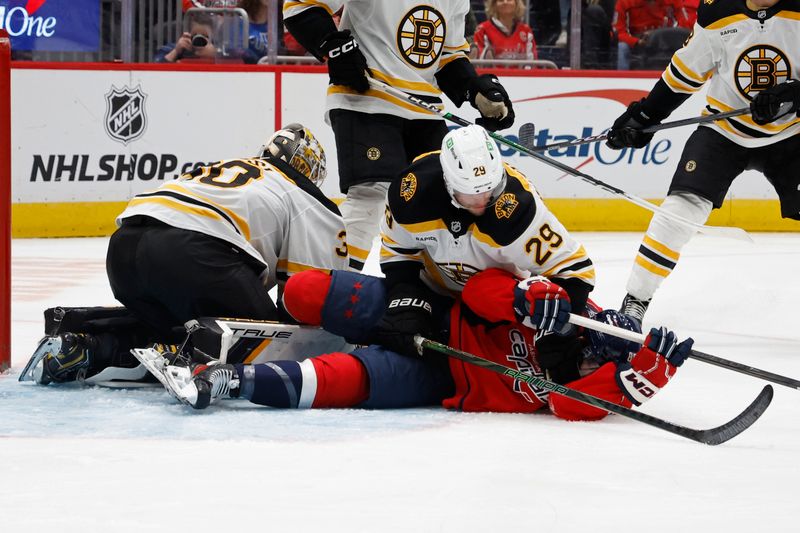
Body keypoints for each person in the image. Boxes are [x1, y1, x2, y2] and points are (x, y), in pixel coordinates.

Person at [23, 124, 349, 385]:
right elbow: (309, 296)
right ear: (310, 170)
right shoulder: (304, 194)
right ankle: (182, 356)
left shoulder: (234, 169)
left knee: (177, 319)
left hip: (123, 250)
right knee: (271, 341)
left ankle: (88, 345)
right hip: (192, 254)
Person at [148, 266, 693, 419]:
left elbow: (571, 405)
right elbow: (480, 289)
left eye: (607, 357)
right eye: (603, 344)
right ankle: (223, 328)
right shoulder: (575, 311)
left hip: (443, 376)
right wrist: (527, 296)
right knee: (304, 290)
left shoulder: (590, 385)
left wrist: (634, 380)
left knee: (349, 379)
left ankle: (230, 380)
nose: (597, 350)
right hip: (429, 310)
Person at [605, 0, 800, 324]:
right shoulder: (718, 12)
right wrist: (644, 116)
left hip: (792, 134)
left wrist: (797, 94)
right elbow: (683, 75)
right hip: (724, 132)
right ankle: (636, 301)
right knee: (678, 211)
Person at [282, 0, 515, 270]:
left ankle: (431, 293)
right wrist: (333, 46)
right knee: (372, 196)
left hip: (424, 110)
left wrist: (475, 89)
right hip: (367, 97)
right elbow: (300, 6)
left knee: (447, 200)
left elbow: (449, 55)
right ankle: (328, 287)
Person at [377, 124, 596, 386]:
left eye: (489, 191)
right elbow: (398, 253)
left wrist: (554, 333)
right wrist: (408, 300)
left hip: (496, 307)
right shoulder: (411, 193)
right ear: (448, 183)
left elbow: (575, 273)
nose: (482, 201)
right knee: (379, 320)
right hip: (430, 291)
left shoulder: (517, 209)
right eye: (470, 195)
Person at [613, 0, 689, 70]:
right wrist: (636, 41)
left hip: (665, 41)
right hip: (637, 40)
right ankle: (623, 78)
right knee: (622, 47)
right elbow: (618, 32)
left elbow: (684, 26)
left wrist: (665, 35)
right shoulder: (624, 2)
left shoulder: (674, 1)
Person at [473, 0, 537, 62]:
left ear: (517, 3)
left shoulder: (526, 30)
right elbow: (480, 64)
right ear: (494, 5)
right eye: (501, 0)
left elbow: (532, 63)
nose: (505, 2)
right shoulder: (482, 30)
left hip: (522, 73)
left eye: (509, 0)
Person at [153, 12, 218, 63]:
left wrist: (215, 55)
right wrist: (176, 52)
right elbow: (154, 69)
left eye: (205, 36)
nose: (199, 39)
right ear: (187, 33)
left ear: (212, 37)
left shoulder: (218, 51)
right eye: (195, 35)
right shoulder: (175, 48)